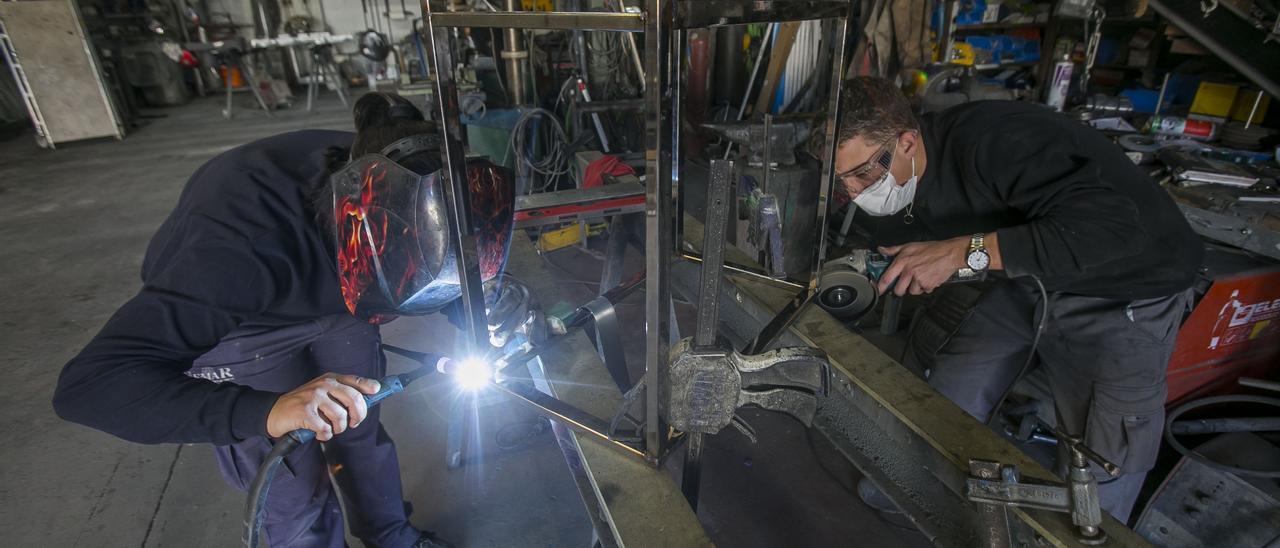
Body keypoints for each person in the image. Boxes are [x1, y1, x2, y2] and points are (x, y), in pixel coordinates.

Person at [53, 92, 511, 547]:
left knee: (358, 427)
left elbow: (448, 263)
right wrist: (265, 411)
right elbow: (89, 388)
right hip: (246, 326)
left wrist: (476, 310)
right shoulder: (236, 257)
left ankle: (390, 536)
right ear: (353, 240)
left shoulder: (406, 170)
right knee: (292, 477)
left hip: (346, 296)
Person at [832, 77, 1202, 522]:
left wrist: (959, 253)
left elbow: (1112, 229)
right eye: (841, 180)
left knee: (1105, 446)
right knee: (955, 377)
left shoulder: (999, 140)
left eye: (862, 173)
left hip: (1124, 286)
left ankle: (1091, 530)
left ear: (907, 141)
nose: (854, 192)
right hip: (1031, 273)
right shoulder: (903, 178)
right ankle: (915, 480)